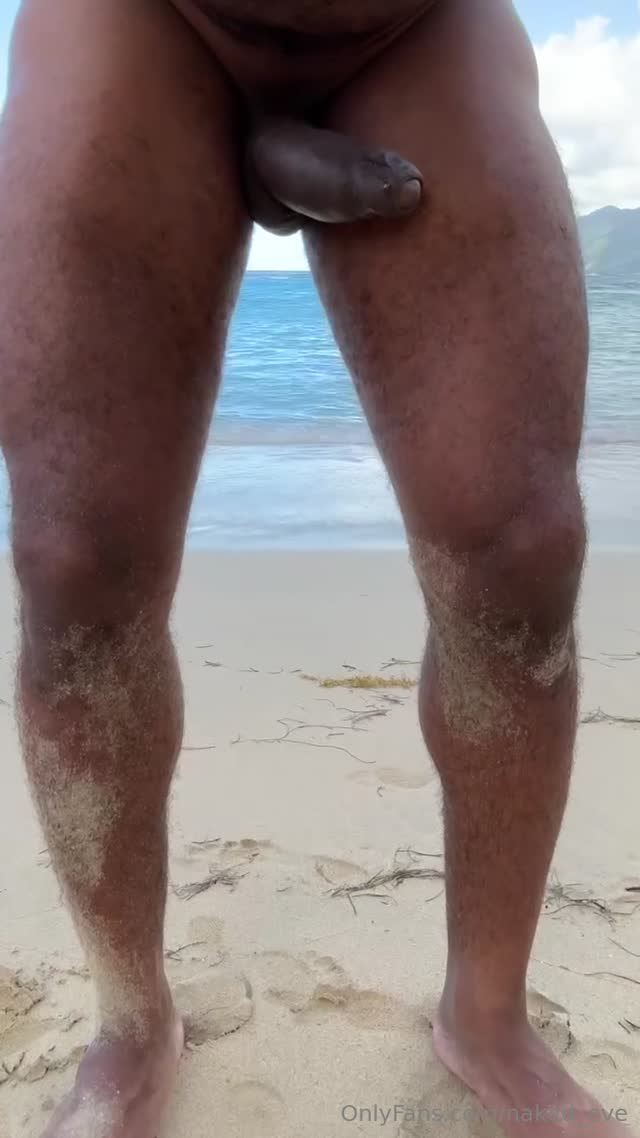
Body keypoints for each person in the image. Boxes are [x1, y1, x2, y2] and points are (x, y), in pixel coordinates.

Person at [0, 1, 624, 1136]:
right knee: (75, 566)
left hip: (411, 24)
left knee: (520, 552)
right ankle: (130, 1023)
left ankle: (487, 1013)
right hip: (141, 21)